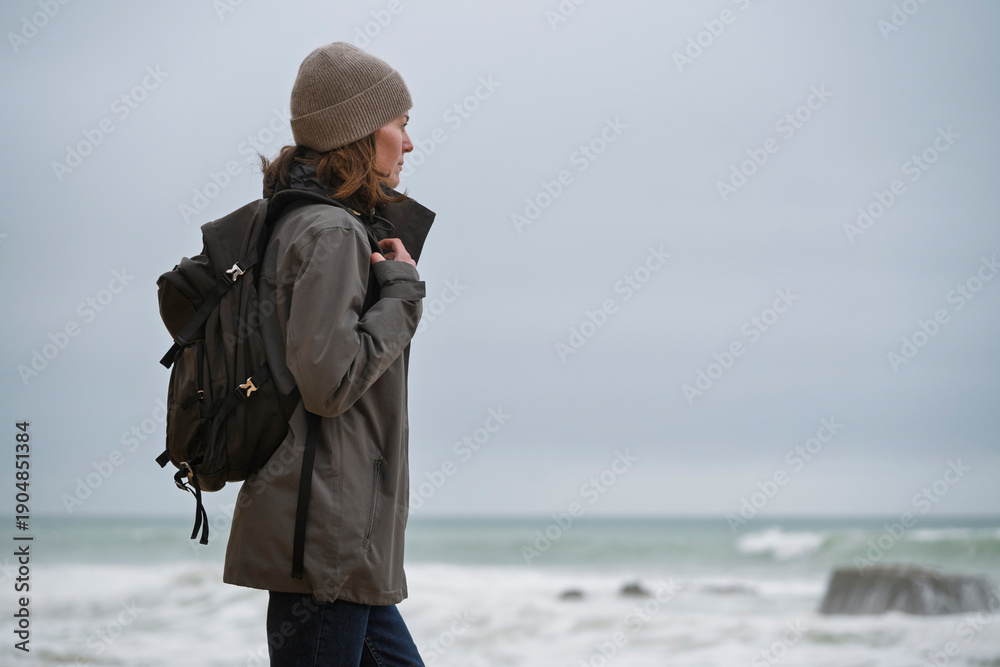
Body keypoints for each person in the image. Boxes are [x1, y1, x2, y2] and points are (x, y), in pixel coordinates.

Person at [222, 42, 434, 666]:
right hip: (325, 539)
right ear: (360, 133)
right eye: (400, 124)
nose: (409, 143)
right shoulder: (332, 231)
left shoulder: (294, 220)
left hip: (335, 538)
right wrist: (403, 293)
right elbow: (330, 382)